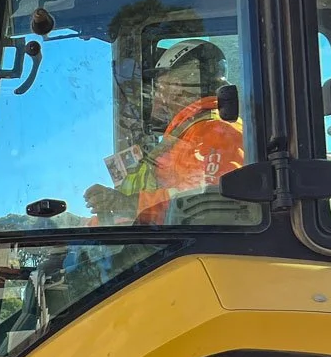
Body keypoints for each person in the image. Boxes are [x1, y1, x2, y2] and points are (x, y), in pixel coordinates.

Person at [84, 39, 245, 224]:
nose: (156, 94)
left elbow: (206, 206)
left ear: (177, 86)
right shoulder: (185, 136)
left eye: (160, 85)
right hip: (154, 243)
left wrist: (126, 203)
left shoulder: (217, 132)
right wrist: (81, 225)